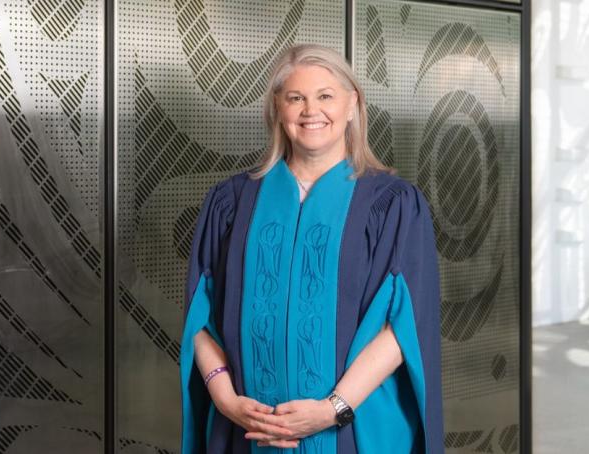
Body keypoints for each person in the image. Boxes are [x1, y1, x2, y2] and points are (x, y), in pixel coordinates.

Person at [179, 44, 443, 453]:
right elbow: (200, 315)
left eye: (325, 96)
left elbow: (405, 324)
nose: (310, 111)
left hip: (355, 429)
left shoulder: (391, 205)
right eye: (295, 98)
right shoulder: (231, 203)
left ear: (352, 104)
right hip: (246, 431)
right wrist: (225, 399)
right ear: (277, 108)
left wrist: (332, 408)